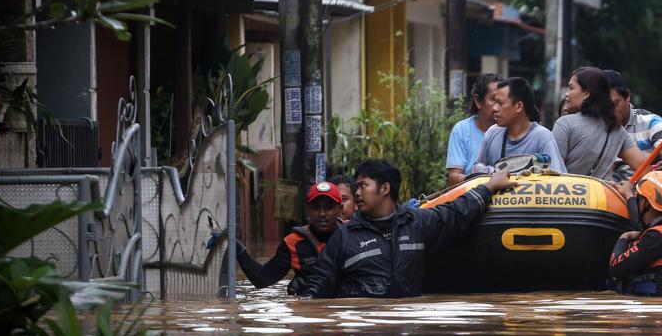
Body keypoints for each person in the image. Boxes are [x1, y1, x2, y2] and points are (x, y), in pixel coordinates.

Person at [304, 159, 515, 298]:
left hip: (406, 324)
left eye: (363, 185)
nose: (357, 193)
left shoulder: (417, 223)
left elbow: (456, 212)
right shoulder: (344, 236)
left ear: (385, 188)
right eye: (356, 187)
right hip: (364, 328)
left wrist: (490, 186)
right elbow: (320, 282)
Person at [220, 181, 344, 295]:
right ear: (308, 209)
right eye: (316, 207)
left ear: (340, 208)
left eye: (329, 207)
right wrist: (238, 249)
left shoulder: (354, 234)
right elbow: (263, 279)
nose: (322, 214)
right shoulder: (293, 243)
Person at [608, 171, 662, 296]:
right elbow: (641, 226)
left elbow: (615, 268)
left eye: (638, 197)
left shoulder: (656, 237)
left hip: (656, 306)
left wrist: (624, 237)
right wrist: (629, 196)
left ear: (644, 202)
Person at [552, 67, 646, 181]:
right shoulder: (617, 129)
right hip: (603, 197)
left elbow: (554, 173)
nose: (567, 94)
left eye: (571, 88)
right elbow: (645, 170)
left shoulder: (565, 124)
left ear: (586, 93)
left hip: (569, 196)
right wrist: (628, 187)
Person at [474, 77, 566, 173]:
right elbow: (477, 171)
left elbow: (556, 179)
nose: (494, 108)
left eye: (500, 103)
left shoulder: (542, 137)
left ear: (519, 106)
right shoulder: (492, 133)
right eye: (494, 102)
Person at [603, 69, 662, 182]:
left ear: (627, 96)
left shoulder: (651, 121)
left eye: (615, 104)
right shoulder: (594, 127)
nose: (610, 111)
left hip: (645, 192)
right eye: (605, 106)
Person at [446, 73, 502, 185]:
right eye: (493, 100)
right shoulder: (462, 130)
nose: (498, 107)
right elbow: (454, 178)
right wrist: (485, 180)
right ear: (478, 101)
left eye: (502, 101)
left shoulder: (509, 128)